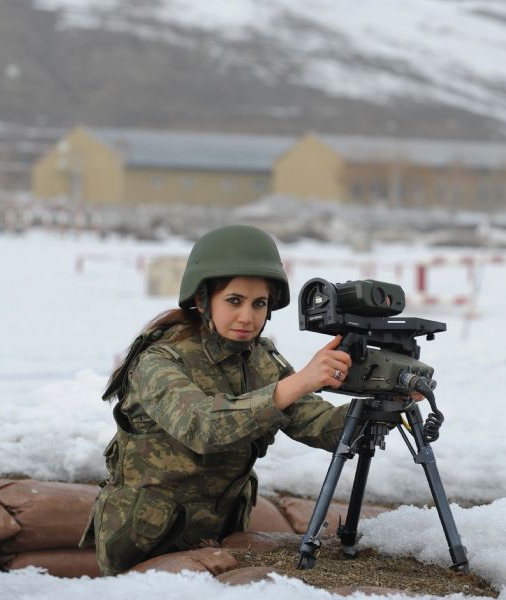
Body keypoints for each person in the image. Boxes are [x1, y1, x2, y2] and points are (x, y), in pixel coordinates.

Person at [81, 224, 354, 575]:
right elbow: (203, 428)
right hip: (145, 539)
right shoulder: (160, 360)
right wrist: (299, 382)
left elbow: (314, 423)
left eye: (260, 304)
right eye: (234, 301)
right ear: (202, 300)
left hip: (218, 535)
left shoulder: (259, 360)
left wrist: (383, 405)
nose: (248, 317)